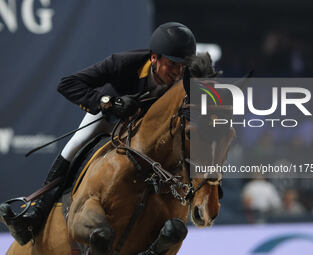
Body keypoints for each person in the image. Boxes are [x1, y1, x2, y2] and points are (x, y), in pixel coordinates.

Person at [0, 22, 197, 246]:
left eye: (183, 65)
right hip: (109, 119)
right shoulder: (124, 63)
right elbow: (68, 84)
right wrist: (108, 103)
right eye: (172, 64)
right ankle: (35, 214)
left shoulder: (187, 79)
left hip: (146, 134)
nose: (178, 72)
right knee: (75, 145)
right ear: (154, 58)